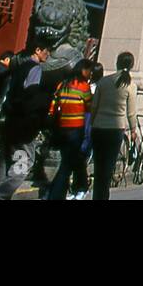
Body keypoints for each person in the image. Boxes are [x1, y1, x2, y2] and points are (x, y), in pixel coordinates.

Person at [0, 42, 52, 199]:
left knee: (6, 159)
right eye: (46, 51)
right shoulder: (35, 69)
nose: (48, 54)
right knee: (24, 163)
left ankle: (0, 191)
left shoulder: (17, 69)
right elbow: (31, 94)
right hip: (24, 123)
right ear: (37, 50)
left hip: (10, 119)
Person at [89, 52, 138, 201]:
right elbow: (131, 112)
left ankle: (97, 196)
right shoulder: (130, 85)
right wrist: (133, 129)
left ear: (117, 63)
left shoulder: (103, 82)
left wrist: (92, 122)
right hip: (115, 129)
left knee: (98, 166)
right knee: (108, 167)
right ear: (131, 65)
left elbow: (94, 105)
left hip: (98, 127)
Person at [46, 59, 94, 200]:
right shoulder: (83, 86)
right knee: (67, 165)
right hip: (76, 128)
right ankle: (56, 194)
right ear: (83, 70)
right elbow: (90, 106)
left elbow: (53, 105)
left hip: (61, 128)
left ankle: (75, 188)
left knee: (68, 160)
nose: (90, 73)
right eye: (89, 70)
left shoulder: (63, 84)